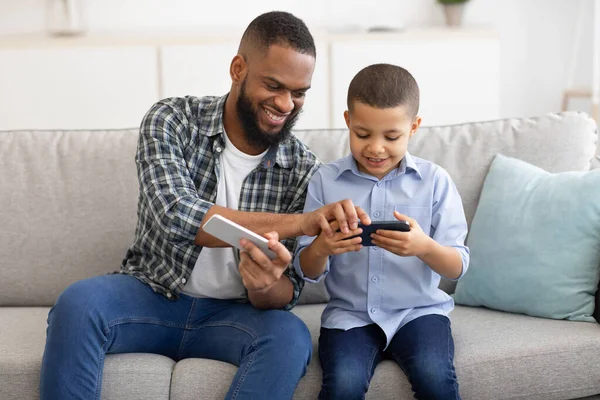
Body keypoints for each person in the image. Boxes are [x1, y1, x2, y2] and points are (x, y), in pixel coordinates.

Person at [39, 11, 369, 400]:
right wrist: (301, 223)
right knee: (78, 305)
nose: (285, 104)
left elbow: (288, 291)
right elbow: (176, 216)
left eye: (299, 93)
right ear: (238, 68)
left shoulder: (302, 170)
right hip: (152, 295)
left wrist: (264, 286)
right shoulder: (172, 120)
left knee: (291, 338)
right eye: (274, 85)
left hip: (234, 315)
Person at [293, 63, 470, 400]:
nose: (375, 148)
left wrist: (423, 247)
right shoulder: (324, 181)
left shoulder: (434, 181)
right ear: (347, 121)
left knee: (437, 380)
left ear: (414, 127)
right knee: (342, 386)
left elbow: (458, 265)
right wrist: (323, 247)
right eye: (362, 134)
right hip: (349, 317)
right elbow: (306, 269)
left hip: (419, 312)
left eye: (391, 137)